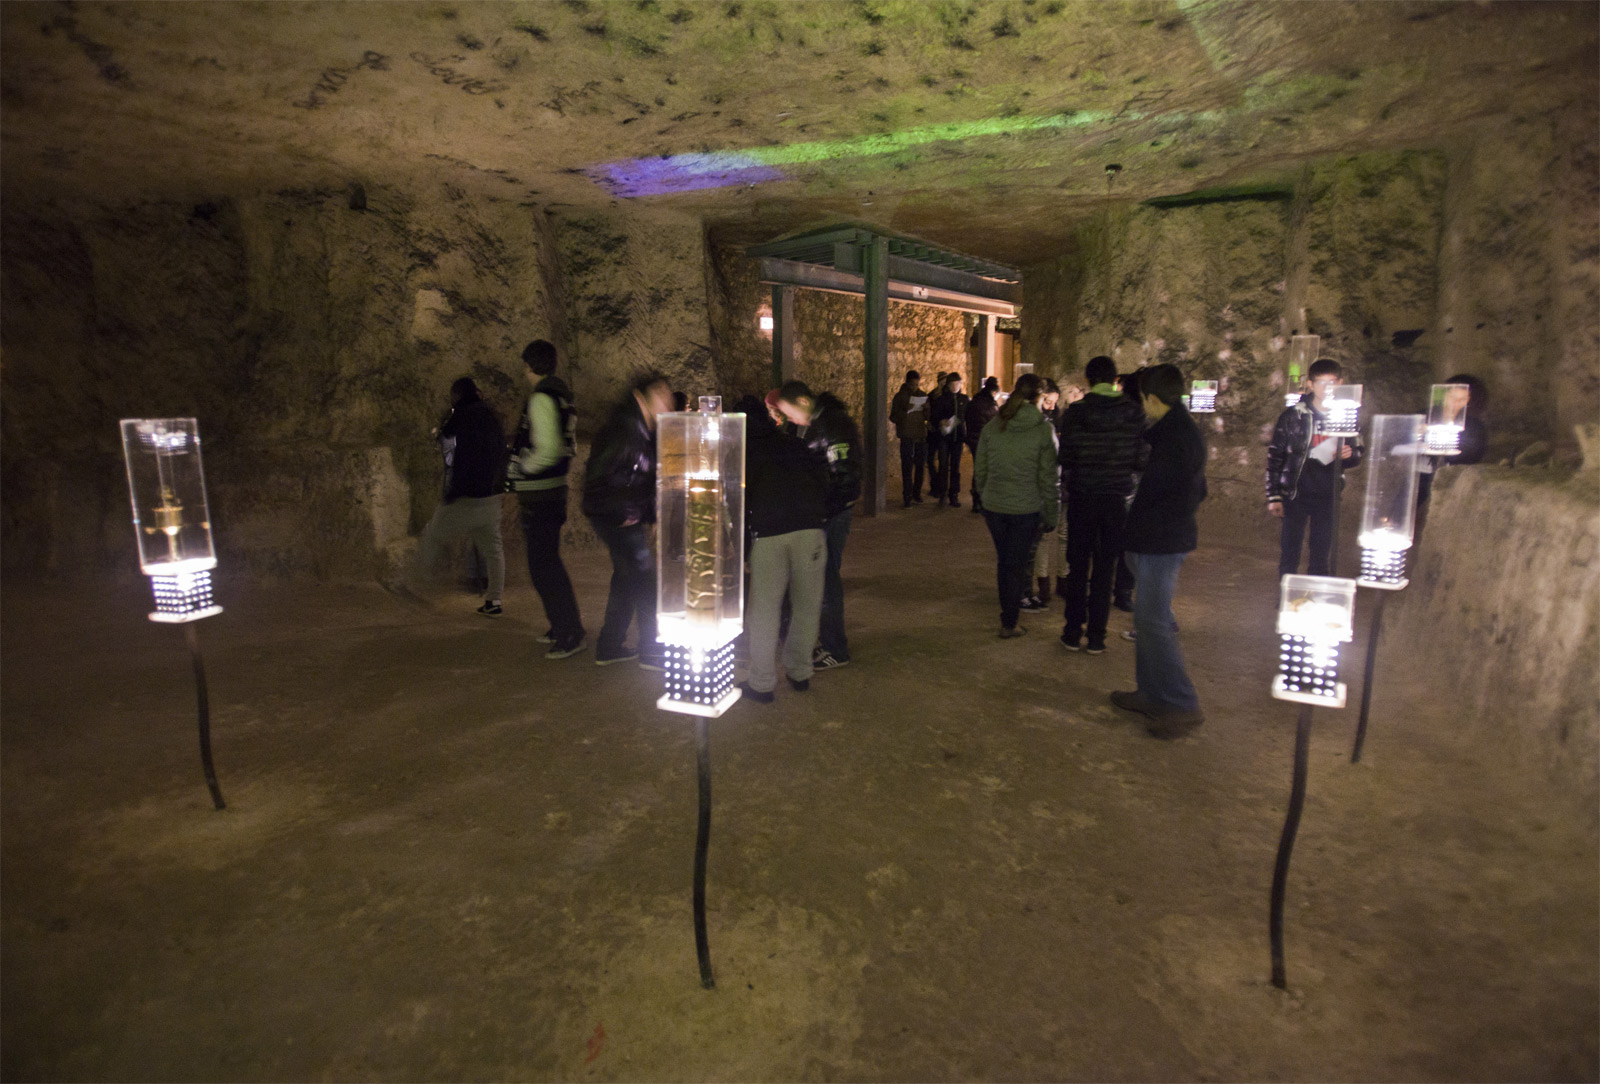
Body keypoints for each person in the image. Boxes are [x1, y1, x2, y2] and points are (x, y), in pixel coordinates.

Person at [1110, 364, 1207, 738]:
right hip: (1156, 540)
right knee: (1149, 622)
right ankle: (1152, 693)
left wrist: (1139, 520)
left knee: (1153, 623)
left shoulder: (1177, 438)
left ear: (1153, 398)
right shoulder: (1175, 433)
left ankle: (1182, 704)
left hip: (1160, 542)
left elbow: (1178, 494)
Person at [738, 398, 829, 703]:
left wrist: (743, 550)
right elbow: (821, 479)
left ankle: (763, 683)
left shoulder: (743, 451)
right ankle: (800, 672)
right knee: (807, 604)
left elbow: (739, 504)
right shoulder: (793, 443)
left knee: (764, 611)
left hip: (770, 534)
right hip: (809, 530)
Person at [582, 371, 674, 668]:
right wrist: (624, 513)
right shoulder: (624, 428)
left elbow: (639, 479)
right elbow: (600, 476)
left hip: (624, 515)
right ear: (644, 395)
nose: (668, 402)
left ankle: (609, 646)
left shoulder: (640, 428)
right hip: (618, 517)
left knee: (626, 579)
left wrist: (650, 514)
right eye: (663, 394)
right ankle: (651, 650)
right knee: (644, 581)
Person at [1057, 355, 1147, 654]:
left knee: (1078, 566)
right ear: (1114, 380)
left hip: (1082, 498)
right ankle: (1097, 637)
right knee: (1105, 569)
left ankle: (1072, 632)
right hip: (1114, 501)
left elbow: (1066, 458)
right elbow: (1139, 459)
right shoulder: (1133, 413)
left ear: (1089, 380)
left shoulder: (1076, 412)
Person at [505, 340, 586, 659]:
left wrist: (522, 466)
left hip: (539, 493)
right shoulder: (562, 395)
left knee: (544, 567)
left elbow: (548, 449)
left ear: (528, 365)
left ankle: (570, 631)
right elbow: (566, 445)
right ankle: (561, 624)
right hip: (553, 490)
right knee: (547, 563)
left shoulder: (541, 398)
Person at [775, 380, 862, 671]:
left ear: (802, 401)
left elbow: (845, 476)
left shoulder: (831, 424)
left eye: (790, 412)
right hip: (828, 511)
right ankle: (830, 643)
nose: (792, 420)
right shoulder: (824, 421)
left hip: (832, 514)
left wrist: (823, 512)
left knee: (826, 580)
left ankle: (836, 648)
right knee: (824, 578)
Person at [974, 373, 1059, 639]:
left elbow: (981, 469)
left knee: (1005, 562)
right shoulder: (1043, 430)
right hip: (1026, 508)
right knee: (1017, 564)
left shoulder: (994, 425)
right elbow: (1048, 478)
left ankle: (1008, 618)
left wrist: (986, 494)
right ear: (1040, 398)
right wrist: (1051, 512)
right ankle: (1010, 622)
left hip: (995, 507)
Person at [413, 376, 506, 616]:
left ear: (457, 396)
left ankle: (413, 584)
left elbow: (446, 436)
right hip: (491, 495)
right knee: (494, 550)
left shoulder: (462, 414)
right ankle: (493, 601)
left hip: (466, 496)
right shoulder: (491, 416)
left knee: (432, 534)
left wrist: (447, 415)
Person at [1266, 358, 1365, 577]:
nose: (1326, 389)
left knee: (1321, 553)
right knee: (1290, 552)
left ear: (1340, 383)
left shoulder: (1347, 416)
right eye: (1321, 383)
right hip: (1296, 493)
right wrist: (1274, 496)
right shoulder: (1294, 416)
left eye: (1331, 383)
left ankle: (1316, 601)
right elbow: (1276, 456)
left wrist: (1349, 456)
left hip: (1328, 494)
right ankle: (1286, 598)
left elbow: (1358, 451)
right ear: (1310, 384)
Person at [1414, 373, 1488, 543]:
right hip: (1419, 478)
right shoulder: (1423, 417)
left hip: (1451, 481)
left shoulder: (1474, 427)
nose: (1455, 402)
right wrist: (1419, 436)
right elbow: (1399, 443)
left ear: (1471, 400)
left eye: (1462, 398)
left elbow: (1471, 455)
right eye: (1451, 396)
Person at [927, 372, 969, 507]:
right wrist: (940, 421)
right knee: (944, 466)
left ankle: (954, 495)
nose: (957, 386)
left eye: (959, 383)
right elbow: (933, 416)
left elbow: (967, 416)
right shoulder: (941, 399)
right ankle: (943, 493)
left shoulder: (964, 399)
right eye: (954, 384)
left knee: (955, 468)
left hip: (958, 438)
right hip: (944, 437)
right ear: (949, 385)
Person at [889, 370, 931, 507]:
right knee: (907, 468)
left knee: (920, 467)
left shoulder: (923, 395)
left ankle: (916, 494)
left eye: (917, 385)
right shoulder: (900, 397)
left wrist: (926, 409)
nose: (915, 387)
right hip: (907, 437)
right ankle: (907, 496)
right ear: (907, 383)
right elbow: (893, 417)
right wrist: (906, 410)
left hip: (920, 437)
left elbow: (928, 416)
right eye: (913, 384)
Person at [964, 375, 1001, 512]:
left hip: (973, 440)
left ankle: (976, 500)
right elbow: (995, 424)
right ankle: (980, 499)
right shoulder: (990, 405)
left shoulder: (975, 401)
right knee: (984, 469)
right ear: (993, 392)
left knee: (977, 468)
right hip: (984, 441)